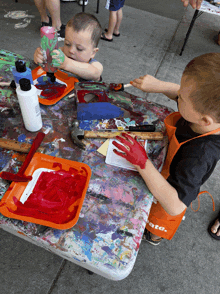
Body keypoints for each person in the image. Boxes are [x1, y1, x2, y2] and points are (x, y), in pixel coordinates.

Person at [112, 53, 220, 245]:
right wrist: (160, 86)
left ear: (204, 120)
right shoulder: (204, 115)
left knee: (157, 219)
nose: (178, 96)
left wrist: (141, 161)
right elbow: (184, 94)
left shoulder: (201, 155)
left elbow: (175, 205)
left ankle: (154, 236)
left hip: (170, 192)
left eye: (182, 99)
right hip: (168, 161)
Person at [34, 12, 103, 81]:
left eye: (79, 49)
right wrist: (40, 57)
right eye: (67, 44)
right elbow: (45, 61)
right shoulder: (61, 53)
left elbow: (95, 73)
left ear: (93, 52)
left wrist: (66, 64)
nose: (71, 50)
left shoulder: (94, 65)